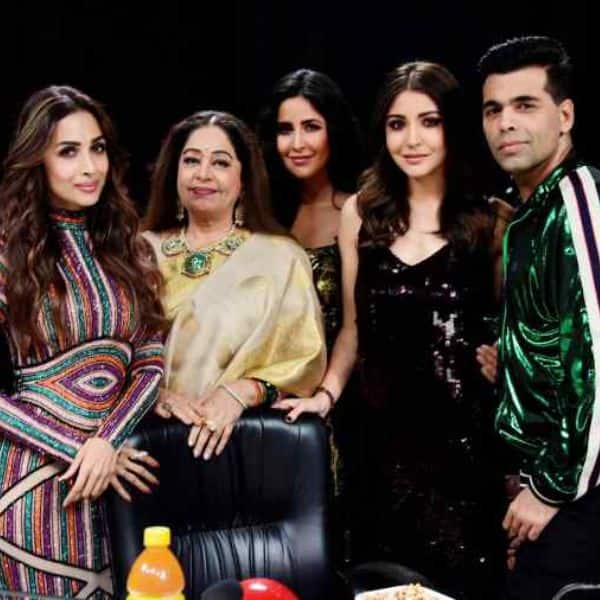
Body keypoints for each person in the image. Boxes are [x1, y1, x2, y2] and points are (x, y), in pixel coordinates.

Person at [278, 61, 506, 598]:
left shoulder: (492, 219)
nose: (412, 139)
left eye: (429, 121)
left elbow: (513, 327)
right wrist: (325, 395)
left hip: (465, 454)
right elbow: (352, 329)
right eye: (397, 124)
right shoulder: (361, 212)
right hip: (378, 449)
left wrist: (506, 358)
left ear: (453, 126)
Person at [0, 85, 164, 597]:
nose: (90, 167)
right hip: (32, 478)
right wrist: (77, 448)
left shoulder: (129, 247)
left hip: (117, 473)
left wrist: (106, 441)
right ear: (37, 161)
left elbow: (151, 361)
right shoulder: (7, 254)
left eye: (97, 148)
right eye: (68, 152)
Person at [479, 36, 600, 598]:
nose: (506, 122)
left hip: (582, 490)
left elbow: (599, 356)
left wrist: (552, 487)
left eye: (525, 105)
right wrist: (514, 358)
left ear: (565, 116)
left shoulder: (579, 201)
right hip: (553, 478)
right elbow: (562, 336)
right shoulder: (532, 211)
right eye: (493, 109)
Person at [142, 110, 326, 460]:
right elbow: (108, 357)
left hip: (247, 450)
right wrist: (153, 395)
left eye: (221, 163)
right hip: (145, 447)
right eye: (191, 160)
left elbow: (305, 359)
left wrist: (242, 391)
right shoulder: (138, 253)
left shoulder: (279, 257)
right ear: (173, 172)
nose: (203, 174)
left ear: (244, 180)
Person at [257, 69, 363, 561]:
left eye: (311, 127)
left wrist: (325, 396)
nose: (296, 143)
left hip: (338, 407)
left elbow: (353, 325)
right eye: (285, 129)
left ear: (333, 130)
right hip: (262, 409)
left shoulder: (358, 209)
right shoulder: (259, 213)